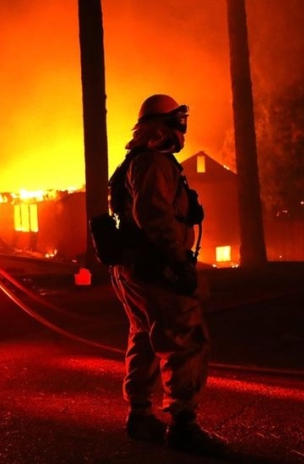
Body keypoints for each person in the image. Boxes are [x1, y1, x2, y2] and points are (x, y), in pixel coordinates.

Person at [108, 94, 227, 457]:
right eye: (176, 120)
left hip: (135, 267)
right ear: (160, 128)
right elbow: (156, 218)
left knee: (145, 338)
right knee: (184, 338)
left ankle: (140, 416)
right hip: (156, 266)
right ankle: (183, 425)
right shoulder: (155, 163)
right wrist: (179, 265)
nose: (181, 128)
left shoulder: (135, 162)